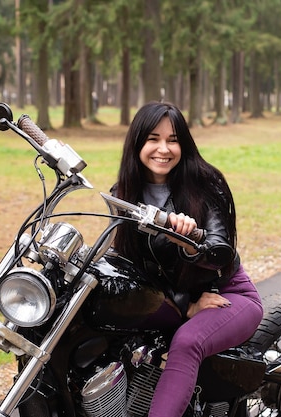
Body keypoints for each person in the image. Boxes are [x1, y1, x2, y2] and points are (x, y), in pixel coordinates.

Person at [111, 101, 263, 417]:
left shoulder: (205, 184)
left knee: (188, 342)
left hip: (227, 294)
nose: (163, 149)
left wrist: (190, 241)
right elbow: (127, 259)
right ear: (138, 142)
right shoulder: (123, 192)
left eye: (173, 139)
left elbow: (220, 252)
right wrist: (184, 305)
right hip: (172, 298)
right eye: (153, 138)